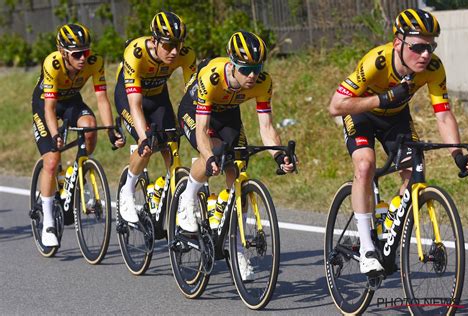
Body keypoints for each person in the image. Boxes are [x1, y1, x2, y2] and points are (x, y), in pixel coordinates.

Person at [328, 8, 468, 275]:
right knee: (365, 165)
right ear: (398, 42)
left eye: (431, 46)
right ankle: (367, 248)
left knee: (414, 173)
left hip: (396, 118)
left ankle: (391, 221)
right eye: (418, 47)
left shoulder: (433, 68)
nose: (426, 54)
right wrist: (382, 99)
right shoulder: (377, 62)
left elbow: (443, 115)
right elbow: (336, 105)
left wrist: (457, 154)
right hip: (362, 114)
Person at [177, 31, 296, 280]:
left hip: (229, 115)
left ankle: (235, 245)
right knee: (213, 150)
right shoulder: (212, 77)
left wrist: (278, 155)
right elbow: (201, 129)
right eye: (245, 69)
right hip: (196, 111)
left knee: (239, 168)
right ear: (232, 64)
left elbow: (266, 127)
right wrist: (209, 157)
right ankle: (186, 200)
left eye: (257, 68)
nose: (252, 75)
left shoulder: (263, 82)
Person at [31, 23, 125, 247]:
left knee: (90, 126)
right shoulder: (52, 64)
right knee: (52, 161)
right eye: (77, 54)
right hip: (46, 103)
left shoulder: (95, 62)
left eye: (86, 52)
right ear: (63, 53)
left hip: (72, 100)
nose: (83, 58)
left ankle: (79, 172)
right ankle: (49, 223)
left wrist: (111, 130)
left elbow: (101, 98)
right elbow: (50, 109)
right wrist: (55, 136)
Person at [116, 11, 196, 223]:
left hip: (159, 96)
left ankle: (166, 193)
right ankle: (128, 189)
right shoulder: (136, 53)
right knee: (148, 145)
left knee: (172, 144)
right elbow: (135, 104)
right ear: (154, 40)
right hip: (129, 96)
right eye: (168, 45)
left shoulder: (185, 54)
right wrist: (145, 137)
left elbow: (194, 95)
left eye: (178, 45)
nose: (174, 51)